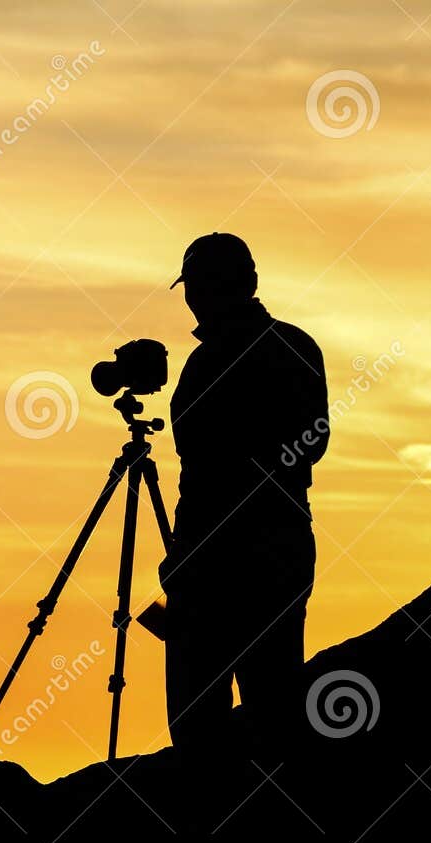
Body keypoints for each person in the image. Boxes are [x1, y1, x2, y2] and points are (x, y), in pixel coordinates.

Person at [155, 232, 328, 750]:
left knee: (207, 728)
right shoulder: (293, 347)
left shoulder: (222, 361)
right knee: (269, 717)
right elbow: (312, 442)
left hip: (232, 564)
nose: (197, 299)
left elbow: (207, 466)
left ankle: (213, 823)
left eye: (204, 286)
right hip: (269, 556)